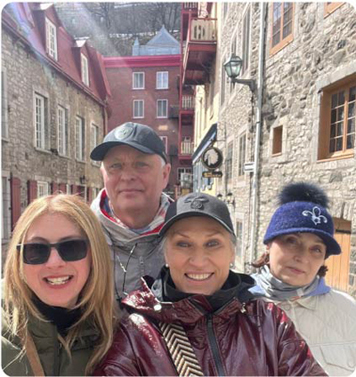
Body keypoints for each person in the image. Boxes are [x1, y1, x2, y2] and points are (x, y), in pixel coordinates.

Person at [93, 193, 326, 376]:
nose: (198, 260)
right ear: (165, 253)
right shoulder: (137, 334)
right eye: (183, 244)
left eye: (213, 243)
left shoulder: (268, 322)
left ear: (232, 252)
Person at [2, 194, 117, 376]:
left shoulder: (120, 337)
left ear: (94, 256)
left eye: (71, 247)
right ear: (18, 260)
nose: (54, 263)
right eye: (36, 250)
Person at [251, 182, 356, 376]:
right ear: (268, 244)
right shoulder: (236, 306)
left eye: (316, 249)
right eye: (291, 241)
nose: (303, 257)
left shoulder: (349, 311)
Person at [90, 122, 172, 299]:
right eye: (115, 166)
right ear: (103, 175)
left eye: (141, 164)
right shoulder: (81, 238)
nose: (127, 176)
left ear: (165, 175)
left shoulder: (188, 234)